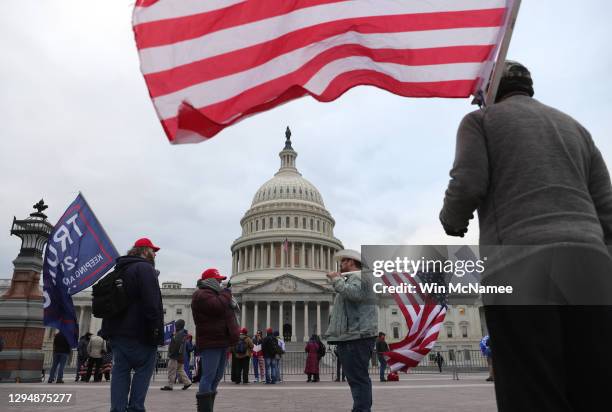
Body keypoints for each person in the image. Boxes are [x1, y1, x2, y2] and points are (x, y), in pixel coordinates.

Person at [440, 60, 612, 412]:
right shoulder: (576, 128)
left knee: (531, 385)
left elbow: (468, 182)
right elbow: (606, 206)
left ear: (488, 92)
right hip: (591, 265)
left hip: (521, 262)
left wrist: (452, 219)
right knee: (595, 380)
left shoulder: (480, 121)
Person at [100, 237, 164, 412]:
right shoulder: (145, 268)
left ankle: (118, 409)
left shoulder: (119, 269)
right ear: (145, 251)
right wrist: (156, 331)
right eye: (153, 251)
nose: (154, 255)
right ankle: (135, 408)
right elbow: (152, 303)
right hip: (140, 333)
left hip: (118, 333)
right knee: (143, 372)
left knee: (120, 373)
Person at [325, 249, 378, 412]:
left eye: (343, 261)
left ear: (351, 262)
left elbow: (354, 294)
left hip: (356, 336)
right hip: (352, 336)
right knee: (357, 379)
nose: (340, 265)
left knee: (358, 380)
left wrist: (336, 280)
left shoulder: (360, 277)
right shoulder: (354, 279)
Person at [192, 268, 239, 412]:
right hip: (211, 342)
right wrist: (226, 293)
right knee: (208, 376)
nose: (221, 283)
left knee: (217, 376)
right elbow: (217, 307)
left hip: (222, 341)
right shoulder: (201, 295)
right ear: (211, 281)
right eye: (218, 280)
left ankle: (209, 407)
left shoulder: (216, 295)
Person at [161, 319, 192, 391]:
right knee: (180, 370)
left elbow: (176, 345)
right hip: (181, 356)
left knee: (171, 370)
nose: (175, 326)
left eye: (176, 325)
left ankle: (170, 385)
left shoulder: (179, 334)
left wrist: (172, 354)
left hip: (175, 356)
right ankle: (187, 382)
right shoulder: (183, 333)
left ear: (179, 325)